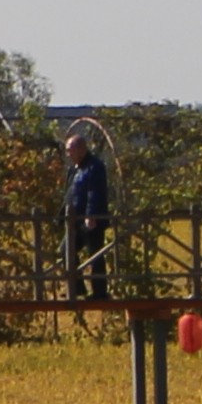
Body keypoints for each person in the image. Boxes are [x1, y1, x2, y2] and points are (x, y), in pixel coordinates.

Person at [61, 125, 115, 303]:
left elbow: (95, 192)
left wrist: (91, 216)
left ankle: (100, 292)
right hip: (75, 220)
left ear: (81, 149)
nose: (67, 154)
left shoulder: (94, 167)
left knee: (95, 255)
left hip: (91, 220)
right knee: (65, 250)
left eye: (70, 150)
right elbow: (70, 193)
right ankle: (77, 288)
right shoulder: (75, 169)